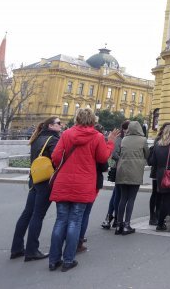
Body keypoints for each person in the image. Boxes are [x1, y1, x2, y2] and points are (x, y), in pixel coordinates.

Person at [48, 107, 118, 272]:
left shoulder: (66, 134)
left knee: (60, 221)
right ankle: (68, 260)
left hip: (64, 182)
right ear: (93, 120)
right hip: (84, 183)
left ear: (77, 118)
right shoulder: (98, 136)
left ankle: (53, 260)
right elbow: (102, 158)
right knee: (75, 222)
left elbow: (56, 157)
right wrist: (110, 142)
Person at [10, 116, 62, 262]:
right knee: (38, 215)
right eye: (58, 123)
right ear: (51, 126)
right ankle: (32, 250)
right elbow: (57, 159)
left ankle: (17, 248)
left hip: (34, 179)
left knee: (27, 213)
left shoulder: (37, 138)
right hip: (46, 182)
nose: (61, 125)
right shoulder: (53, 140)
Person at [113, 121, 148, 235]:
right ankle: (127, 224)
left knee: (123, 198)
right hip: (135, 171)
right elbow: (147, 154)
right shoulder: (142, 140)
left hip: (122, 171)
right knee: (131, 199)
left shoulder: (124, 139)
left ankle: (119, 224)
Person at [78, 124, 108, 253]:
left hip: (74, 179)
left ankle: (70, 239)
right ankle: (78, 241)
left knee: (69, 215)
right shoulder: (97, 141)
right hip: (92, 180)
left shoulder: (69, 136)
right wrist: (109, 144)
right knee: (84, 213)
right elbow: (103, 164)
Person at [148, 123, 170, 232]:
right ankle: (160, 223)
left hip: (159, 173)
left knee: (160, 198)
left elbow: (153, 161)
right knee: (167, 200)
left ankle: (159, 220)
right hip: (169, 174)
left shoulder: (158, 144)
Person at [101, 120, 129, 229]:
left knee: (116, 193)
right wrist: (124, 159)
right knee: (117, 194)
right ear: (125, 129)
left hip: (121, 168)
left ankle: (110, 218)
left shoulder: (125, 138)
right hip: (117, 168)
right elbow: (114, 154)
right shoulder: (120, 138)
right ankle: (112, 218)